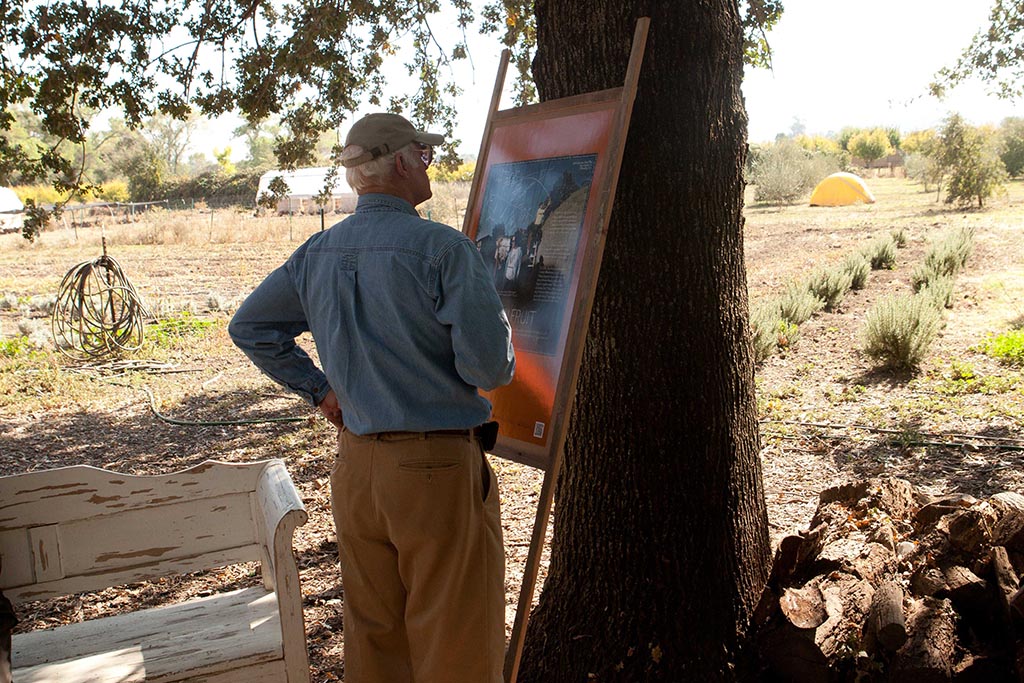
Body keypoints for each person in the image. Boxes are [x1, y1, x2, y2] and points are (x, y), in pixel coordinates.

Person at [229, 112, 515, 683]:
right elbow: (488, 368)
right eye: (425, 153)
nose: (430, 164)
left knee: (375, 637)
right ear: (403, 161)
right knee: (456, 642)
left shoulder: (317, 252)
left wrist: (322, 390)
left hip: (357, 466)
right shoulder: (442, 250)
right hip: (435, 469)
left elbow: (252, 328)